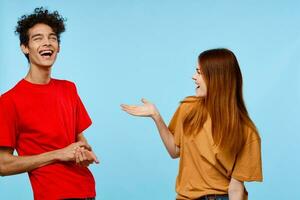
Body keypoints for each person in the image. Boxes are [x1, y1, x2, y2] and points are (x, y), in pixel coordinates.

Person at [121, 48, 262, 200]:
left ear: (217, 78)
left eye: (199, 72)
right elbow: (174, 151)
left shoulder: (246, 131)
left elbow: (235, 188)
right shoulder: (188, 109)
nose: (194, 77)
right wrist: (156, 116)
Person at [0, 7, 99, 200]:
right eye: (38, 38)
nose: (47, 42)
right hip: (53, 195)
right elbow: (2, 165)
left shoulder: (69, 89)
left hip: (87, 191)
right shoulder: (9, 101)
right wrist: (57, 154)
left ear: (58, 46)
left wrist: (84, 154)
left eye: (52, 38)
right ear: (25, 47)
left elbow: (82, 145)